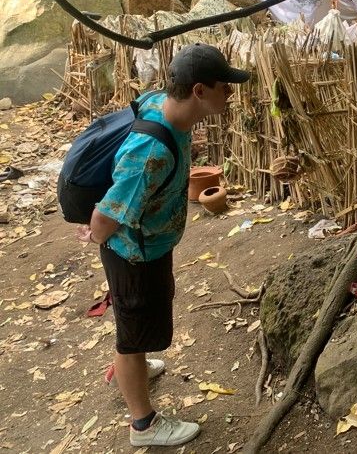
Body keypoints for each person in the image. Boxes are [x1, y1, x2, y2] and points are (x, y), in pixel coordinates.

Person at [76, 43, 249, 447]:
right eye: (224, 86)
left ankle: (129, 366)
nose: (230, 93)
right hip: (133, 254)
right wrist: (96, 232)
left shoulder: (162, 103)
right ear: (199, 91)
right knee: (132, 337)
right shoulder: (151, 153)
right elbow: (107, 215)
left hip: (150, 246)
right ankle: (144, 425)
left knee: (137, 325)